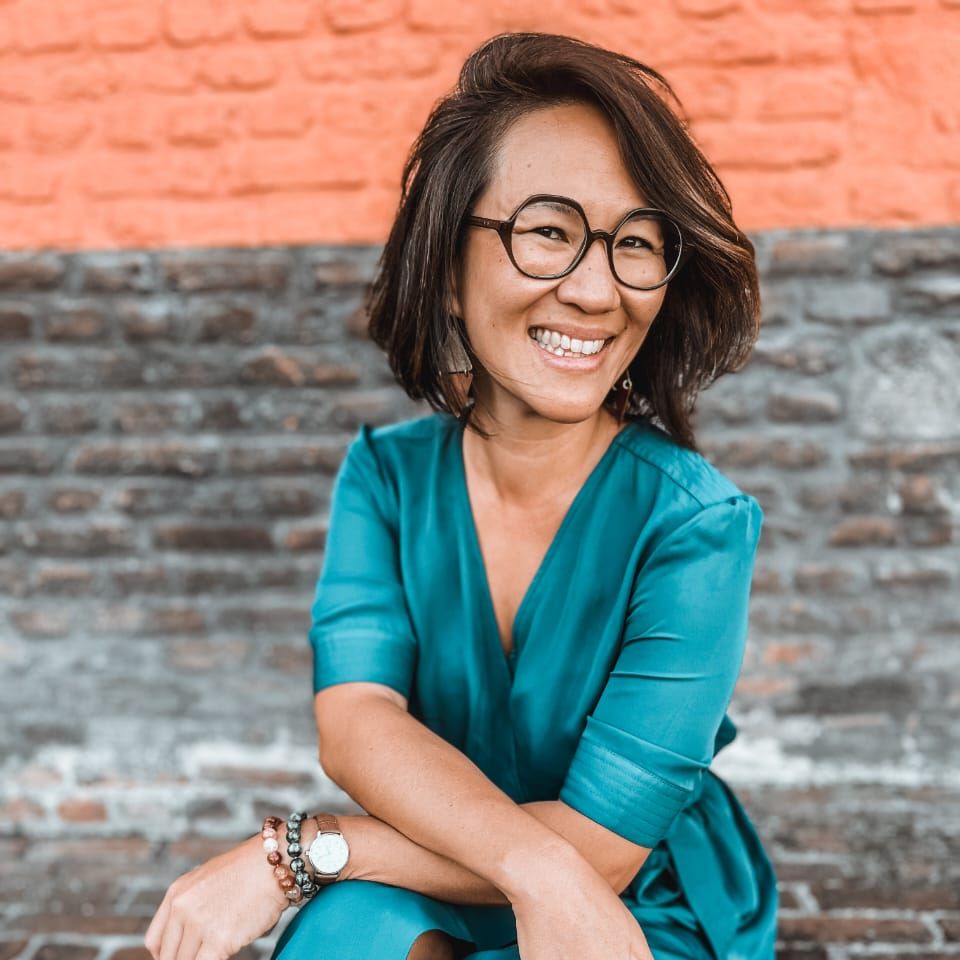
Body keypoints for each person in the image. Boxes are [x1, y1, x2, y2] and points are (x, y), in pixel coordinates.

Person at [144, 31, 778, 960]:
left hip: (636, 895)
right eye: (550, 232)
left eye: (636, 243)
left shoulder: (697, 526)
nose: (597, 291)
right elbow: (356, 720)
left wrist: (306, 854)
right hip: (441, 860)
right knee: (345, 938)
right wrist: (529, 866)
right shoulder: (387, 478)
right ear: (448, 268)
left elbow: (600, 853)